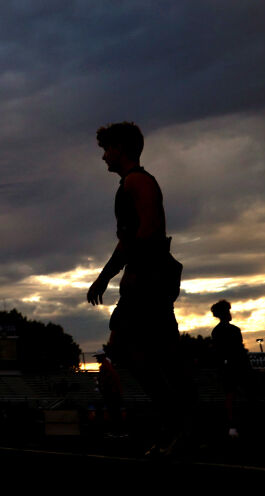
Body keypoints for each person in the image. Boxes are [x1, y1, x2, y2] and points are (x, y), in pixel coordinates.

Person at [85, 121, 186, 454]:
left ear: (120, 149)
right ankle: (179, 425)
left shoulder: (138, 182)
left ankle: (178, 425)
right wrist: (106, 276)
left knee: (134, 349)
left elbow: (149, 232)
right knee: (153, 353)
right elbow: (130, 240)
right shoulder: (131, 183)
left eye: (106, 149)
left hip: (148, 280)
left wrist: (132, 274)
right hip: (147, 278)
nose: (103, 157)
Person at [209, 300, 249, 437]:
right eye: (228, 311)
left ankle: (234, 426)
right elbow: (237, 351)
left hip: (230, 368)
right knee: (235, 396)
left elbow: (217, 353)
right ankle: (236, 425)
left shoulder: (217, 331)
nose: (230, 314)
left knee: (231, 397)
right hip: (235, 367)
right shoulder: (232, 330)